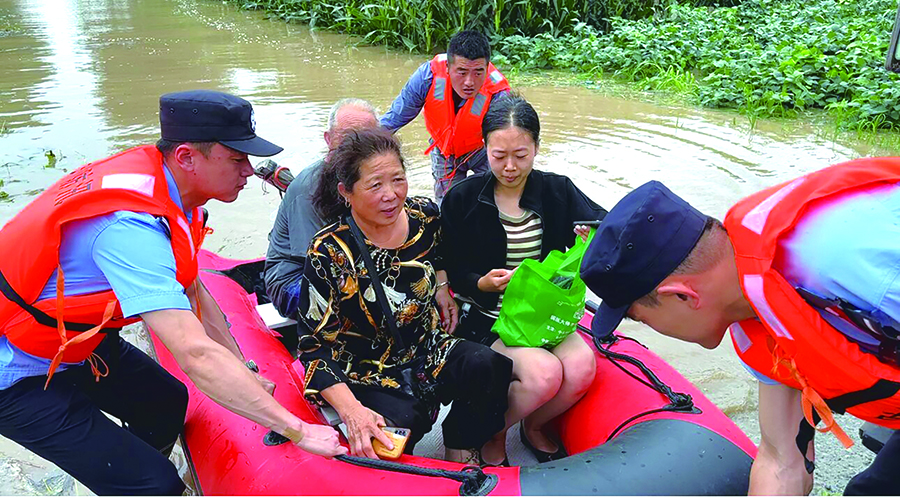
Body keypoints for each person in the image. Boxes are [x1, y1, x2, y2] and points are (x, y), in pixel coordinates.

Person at [0, 90, 346, 496]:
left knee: (166, 403)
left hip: (74, 340)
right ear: (186, 157)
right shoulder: (130, 229)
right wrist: (296, 428)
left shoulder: (177, 197)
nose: (250, 171)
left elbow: (193, 288)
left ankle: (123, 474)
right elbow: (194, 353)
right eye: (237, 159)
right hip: (17, 371)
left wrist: (243, 367)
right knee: (154, 483)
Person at [579, 158, 900, 495]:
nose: (653, 330)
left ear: (682, 296)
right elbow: (781, 459)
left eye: (642, 318)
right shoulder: (753, 311)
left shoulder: (854, 268)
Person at [297, 127, 513, 464]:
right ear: (346, 192)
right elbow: (313, 346)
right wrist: (353, 412)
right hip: (365, 367)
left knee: (488, 365)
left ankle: (459, 444)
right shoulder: (328, 252)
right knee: (397, 430)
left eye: (398, 180)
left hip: (425, 347)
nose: (391, 195)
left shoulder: (423, 215)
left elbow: (440, 251)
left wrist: (442, 286)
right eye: (375, 185)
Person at [440, 95, 607, 465]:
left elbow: (604, 225)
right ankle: (495, 430)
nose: (511, 167)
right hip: (492, 318)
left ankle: (533, 426)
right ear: (484, 148)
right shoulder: (462, 198)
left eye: (522, 155)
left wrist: (587, 236)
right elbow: (449, 265)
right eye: (499, 156)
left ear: (536, 147)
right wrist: (482, 283)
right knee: (544, 374)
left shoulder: (558, 190)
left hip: (543, 314)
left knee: (582, 369)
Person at [265, 98, 379, 319]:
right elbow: (317, 264)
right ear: (328, 139)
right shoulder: (309, 188)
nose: (357, 146)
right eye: (347, 136)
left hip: (348, 262)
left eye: (366, 137)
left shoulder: (371, 178)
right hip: (296, 276)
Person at [381, 30, 511, 202]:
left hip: (484, 151)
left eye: (478, 72)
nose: (469, 82)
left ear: (487, 68)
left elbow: (510, 142)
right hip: (445, 151)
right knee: (448, 208)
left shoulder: (499, 94)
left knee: (498, 202)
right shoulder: (427, 77)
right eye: (462, 72)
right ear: (448, 68)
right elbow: (391, 122)